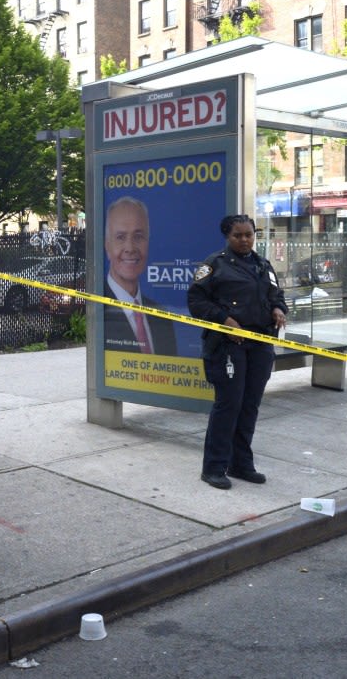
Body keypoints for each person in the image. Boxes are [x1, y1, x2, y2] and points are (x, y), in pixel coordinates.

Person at [187, 214, 288, 490]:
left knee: (249, 406)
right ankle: (214, 467)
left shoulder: (263, 265)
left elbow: (275, 294)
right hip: (228, 347)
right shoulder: (214, 265)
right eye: (238, 235)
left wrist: (278, 309)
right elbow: (195, 300)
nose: (244, 240)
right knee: (228, 406)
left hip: (260, 345)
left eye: (249, 234)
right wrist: (224, 319)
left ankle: (241, 464)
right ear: (227, 237)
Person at [103, 196, 178, 355]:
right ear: (107, 246)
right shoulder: (99, 308)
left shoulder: (162, 316)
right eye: (120, 237)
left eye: (138, 236)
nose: (130, 247)